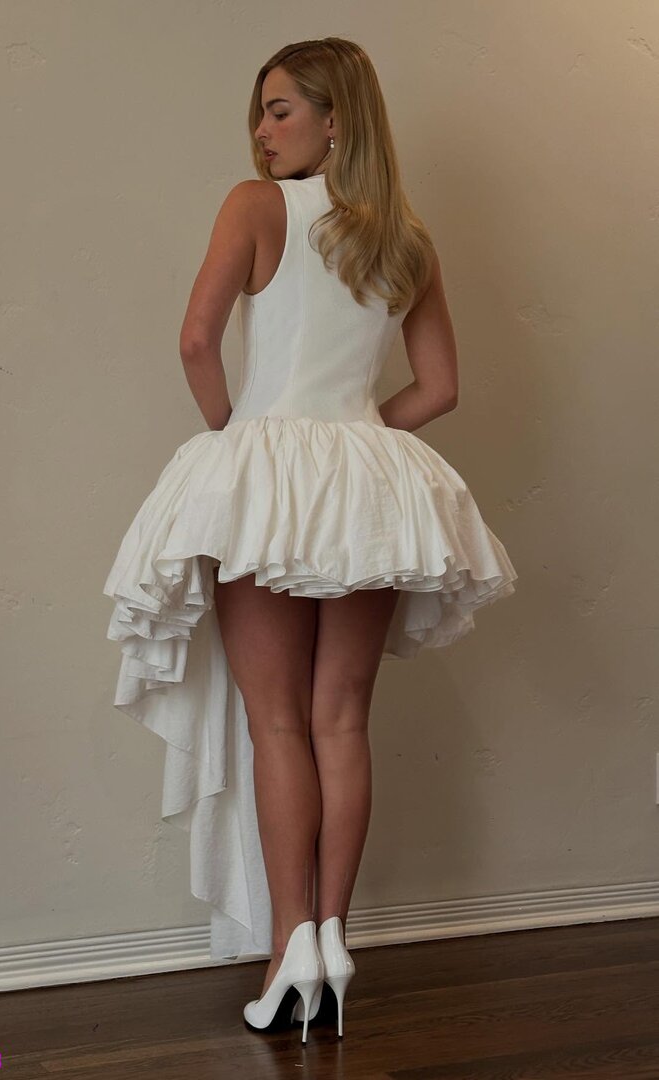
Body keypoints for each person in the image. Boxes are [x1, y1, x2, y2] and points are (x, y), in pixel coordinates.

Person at [103, 37, 517, 1042]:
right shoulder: (405, 239)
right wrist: (359, 436)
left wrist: (233, 445)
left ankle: (290, 943)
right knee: (341, 721)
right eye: (260, 111)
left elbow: (196, 338)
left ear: (337, 120)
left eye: (280, 109)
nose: (260, 130)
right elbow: (438, 388)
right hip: (367, 484)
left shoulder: (255, 208)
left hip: (270, 472)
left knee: (278, 725)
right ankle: (332, 941)